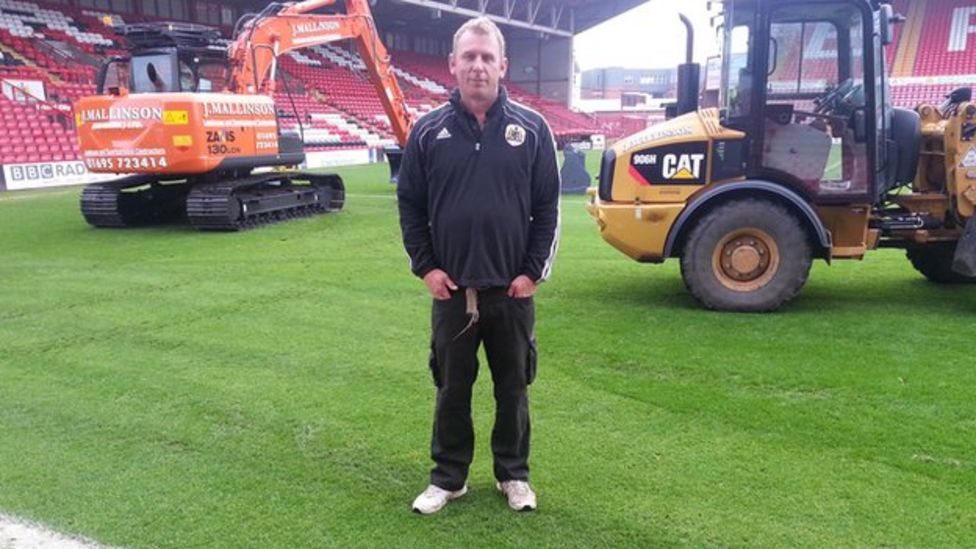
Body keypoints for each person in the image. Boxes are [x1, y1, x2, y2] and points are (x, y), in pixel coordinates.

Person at [397, 16, 560, 515]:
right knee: (451, 390)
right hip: (452, 294)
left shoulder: (532, 129)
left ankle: (513, 475)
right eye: (468, 56)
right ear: (452, 64)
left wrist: (532, 272)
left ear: (503, 65)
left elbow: (549, 209)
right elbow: (410, 206)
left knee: (513, 390)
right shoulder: (427, 132)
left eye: (487, 57)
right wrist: (426, 268)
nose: (478, 66)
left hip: (511, 294)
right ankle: (449, 478)